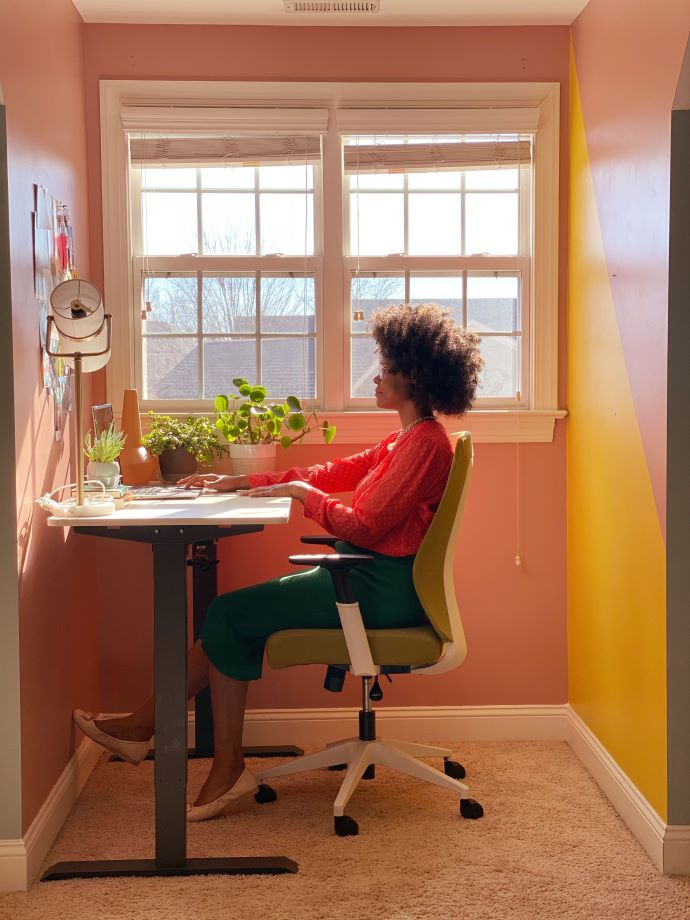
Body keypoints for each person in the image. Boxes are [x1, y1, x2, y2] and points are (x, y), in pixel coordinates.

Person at [73, 304, 483, 821]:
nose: (377, 374)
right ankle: (155, 734)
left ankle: (199, 755)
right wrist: (245, 481)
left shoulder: (424, 445)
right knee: (231, 618)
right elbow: (333, 470)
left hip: (377, 587)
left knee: (227, 615)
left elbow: (362, 526)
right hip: (362, 575)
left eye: (387, 366)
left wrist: (297, 491)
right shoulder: (406, 438)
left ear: (416, 375)